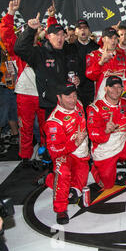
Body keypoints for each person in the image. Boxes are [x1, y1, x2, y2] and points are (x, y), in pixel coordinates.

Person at [0, 0, 46, 167]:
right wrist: (11, 12)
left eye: (36, 33)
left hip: (42, 95)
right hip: (25, 95)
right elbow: (6, 35)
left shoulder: (44, 49)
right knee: (25, 128)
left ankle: (46, 153)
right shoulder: (18, 50)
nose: (34, 36)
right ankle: (25, 157)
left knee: (45, 128)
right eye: (31, 33)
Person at [14, 12, 80, 120]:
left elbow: (74, 72)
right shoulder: (40, 53)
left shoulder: (69, 51)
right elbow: (19, 49)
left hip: (68, 103)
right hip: (50, 104)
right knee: (50, 135)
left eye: (62, 35)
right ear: (48, 36)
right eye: (56, 34)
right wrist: (30, 30)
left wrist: (77, 80)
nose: (60, 38)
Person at [40, 83, 89, 224]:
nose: (72, 99)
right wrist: (75, 142)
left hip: (82, 153)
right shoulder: (53, 122)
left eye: (74, 95)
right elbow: (55, 151)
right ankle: (60, 210)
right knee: (63, 174)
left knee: (77, 189)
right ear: (59, 97)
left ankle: (49, 179)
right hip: (65, 154)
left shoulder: (78, 104)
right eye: (68, 96)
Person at [87, 76, 126, 194]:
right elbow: (94, 136)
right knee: (108, 185)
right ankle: (96, 168)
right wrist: (106, 131)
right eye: (112, 87)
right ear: (106, 88)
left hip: (122, 143)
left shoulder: (125, 103)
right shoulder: (94, 108)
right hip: (105, 147)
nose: (116, 90)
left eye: (119, 87)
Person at [0, 17, 19, 154]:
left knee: (13, 113)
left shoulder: (10, 44)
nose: (1, 30)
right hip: (0, 86)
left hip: (13, 85)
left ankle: (14, 136)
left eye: (3, 27)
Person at [86, 27, 126, 101]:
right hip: (102, 99)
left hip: (121, 98)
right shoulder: (93, 55)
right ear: (103, 39)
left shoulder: (122, 55)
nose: (113, 41)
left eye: (115, 38)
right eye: (110, 38)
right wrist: (101, 62)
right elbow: (90, 76)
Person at [71, 19, 100, 110]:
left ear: (89, 31)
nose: (83, 30)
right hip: (77, 89)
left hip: (93, 88)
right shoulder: (70, 48)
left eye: (85, 28)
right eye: (80, 28)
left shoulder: (96, 47)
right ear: (75, 31)